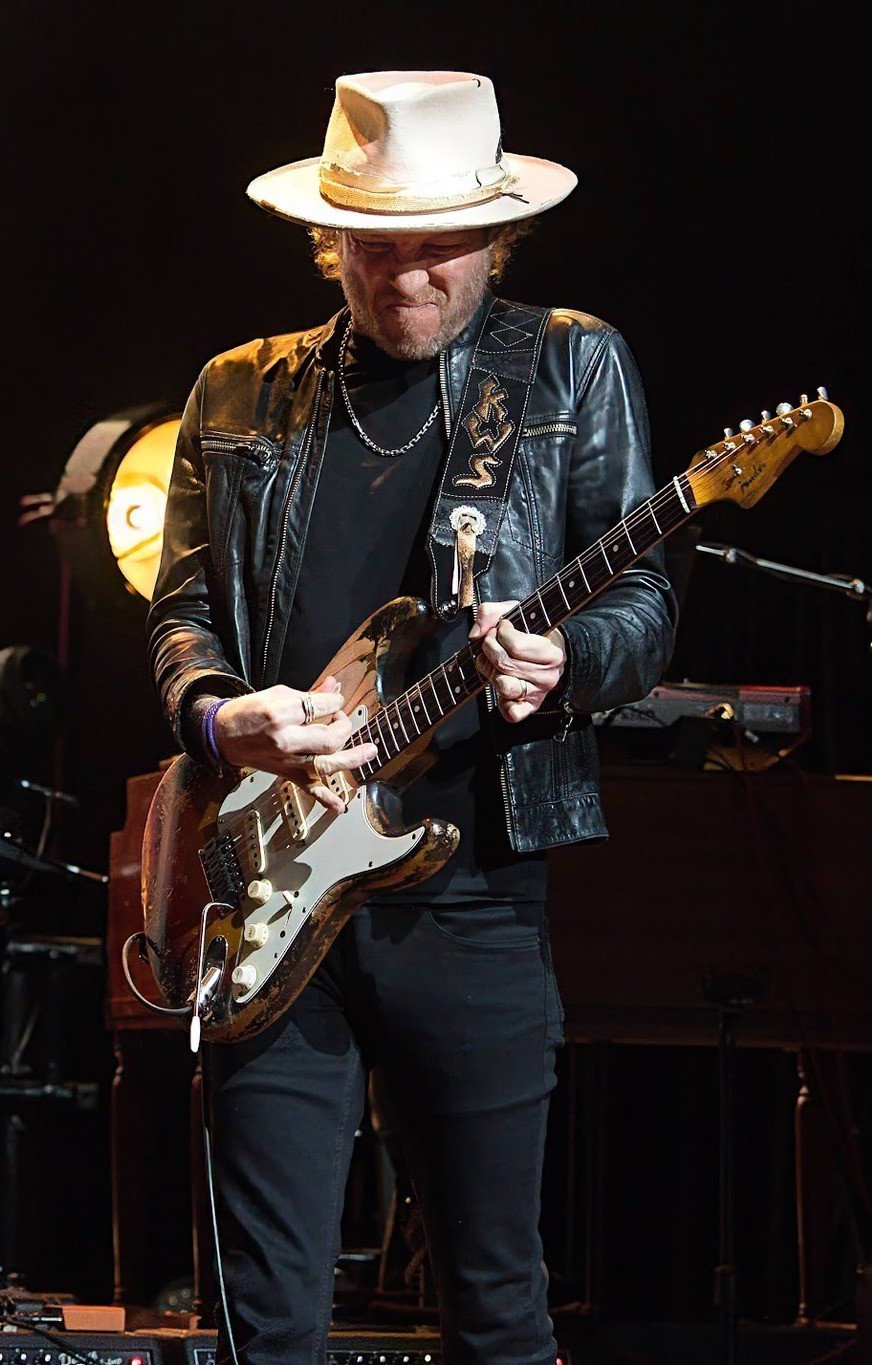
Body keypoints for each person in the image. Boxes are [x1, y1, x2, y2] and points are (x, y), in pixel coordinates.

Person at [147, 73, 677, 1364]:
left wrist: (567, 661)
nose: (409, 281)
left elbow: (650, 603)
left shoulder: (568, 365)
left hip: (478, 890)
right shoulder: (234, 393)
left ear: (499, 237)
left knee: (496, 1306)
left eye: (440, 249)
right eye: (378, 250)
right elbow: (177, 619)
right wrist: (226, 724)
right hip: (276, 900)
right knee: (264, 1322)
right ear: (331, 241)